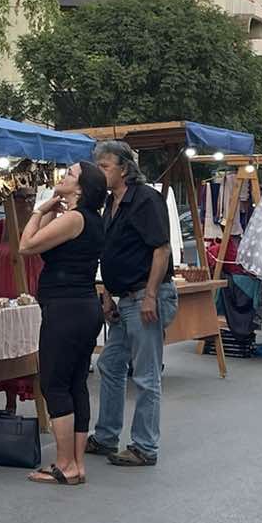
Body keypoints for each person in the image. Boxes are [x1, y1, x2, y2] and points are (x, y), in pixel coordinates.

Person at [87, 140, 177, 468]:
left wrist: (150, 294)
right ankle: (107, 435)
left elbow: (161, 249)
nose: (100, 172)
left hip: (144, 297)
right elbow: (110, 253)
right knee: (111, 365)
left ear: (124, 168)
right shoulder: (112, 203)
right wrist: (108, 293)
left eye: (105, 166)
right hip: (126, 299)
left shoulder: (145, 200)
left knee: (146, 374)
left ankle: (144, 446)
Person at [19, 162, 108, 486]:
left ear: (81, 188)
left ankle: (63, 463)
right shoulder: (90, 219)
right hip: (82, 308)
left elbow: (26, 245)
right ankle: (76, 464)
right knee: (74, 384)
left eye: (69, 175)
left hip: (66, 310)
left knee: (54, 384)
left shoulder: (74, 218)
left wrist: (41, 209)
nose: (63, 177)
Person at [0, 187, 43, 413]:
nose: (28, 202)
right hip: (2, 300)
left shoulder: (40, 228)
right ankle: (10, 403)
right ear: (10, 200)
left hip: (31, 299)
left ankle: (41, 404)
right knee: (7, 352)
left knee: (32, 353)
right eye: (22, 197)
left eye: (32, 197)